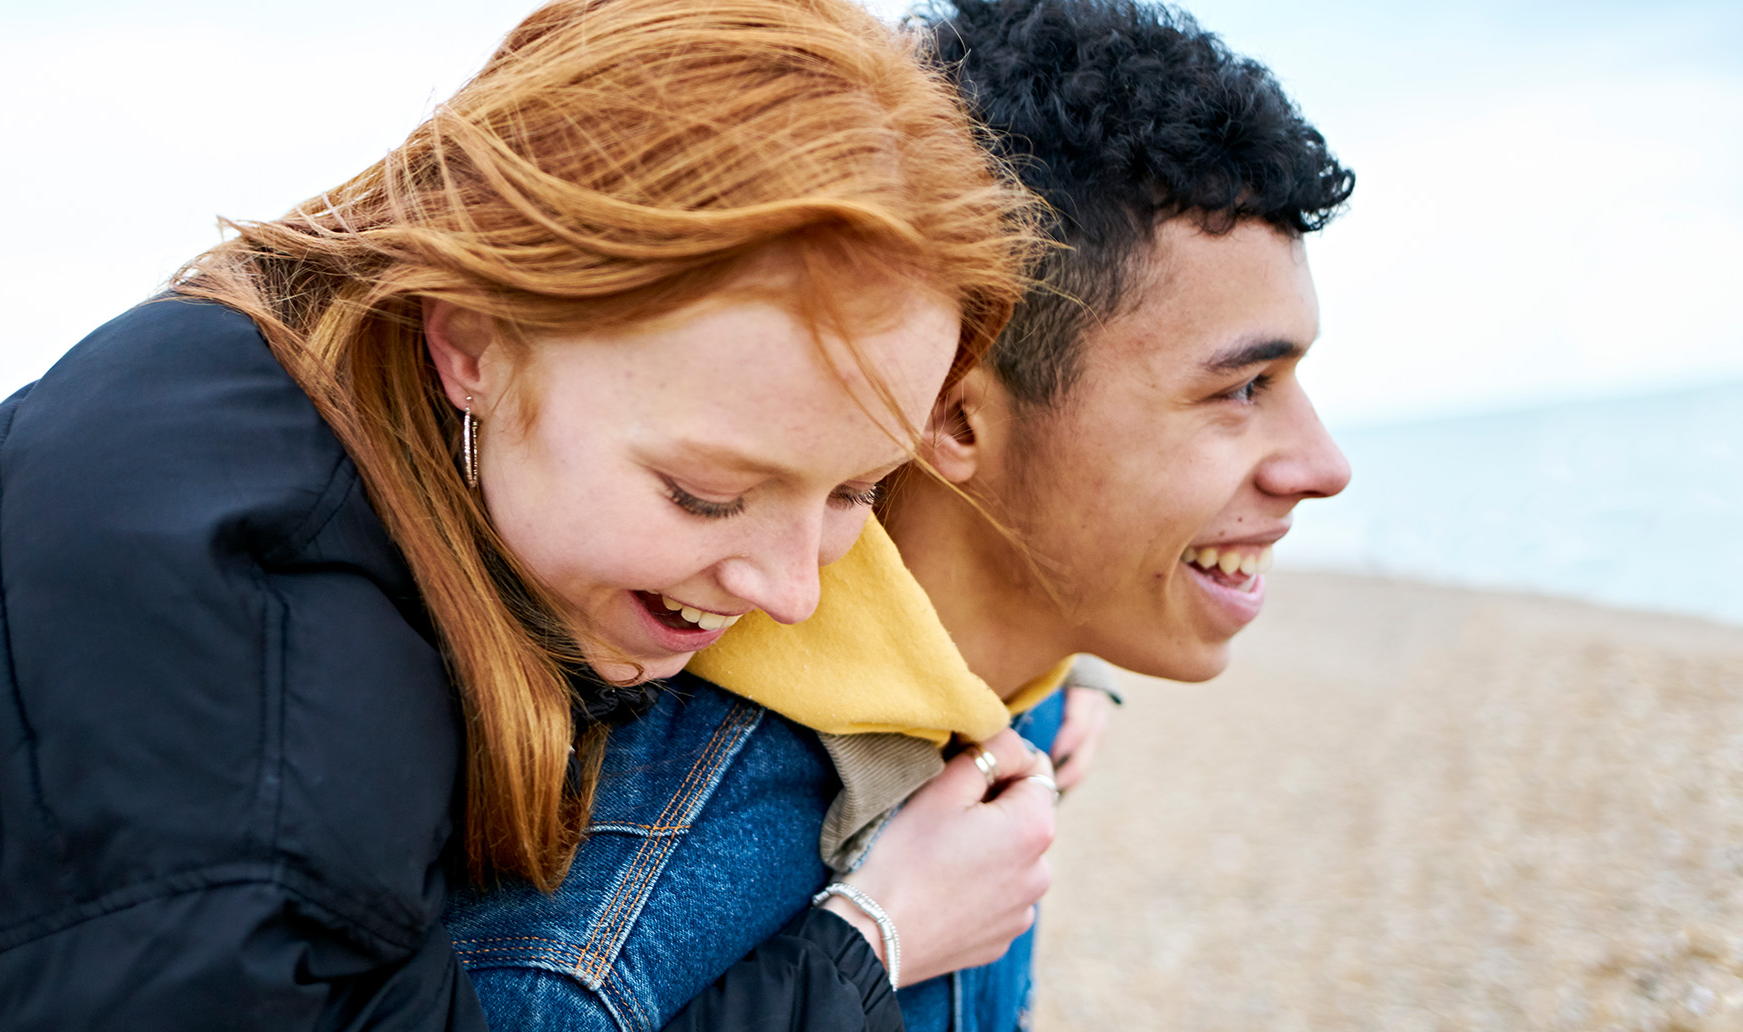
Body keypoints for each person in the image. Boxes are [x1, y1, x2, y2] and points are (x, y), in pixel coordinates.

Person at [0, 1, 1057, 1029]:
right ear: (471, 336)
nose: (796, 588)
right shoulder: (228, 700)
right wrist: (870, 941)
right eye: (707, 492)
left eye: (858, 494)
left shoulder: (293, 384)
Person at [444, 0, 1356, 1028]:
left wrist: (1074, 678)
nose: (1323, 466)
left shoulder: (1006, 681)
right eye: (1240, 388)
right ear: (950, 414)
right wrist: (868, 938)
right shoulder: (602, 934)